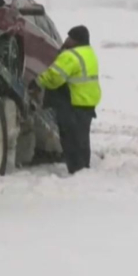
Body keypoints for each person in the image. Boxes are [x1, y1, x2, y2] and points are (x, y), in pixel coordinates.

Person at [34, 25, 101, 174]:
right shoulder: (89, 53)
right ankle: (84, 167)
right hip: (88, 102)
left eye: (70, 37)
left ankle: (76, 169)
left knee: (70, 139)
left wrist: (38, 82)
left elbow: (55, 78)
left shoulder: (70, 56)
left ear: (76, 40)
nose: (67, 40)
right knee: (83, 138)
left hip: (74, 102)